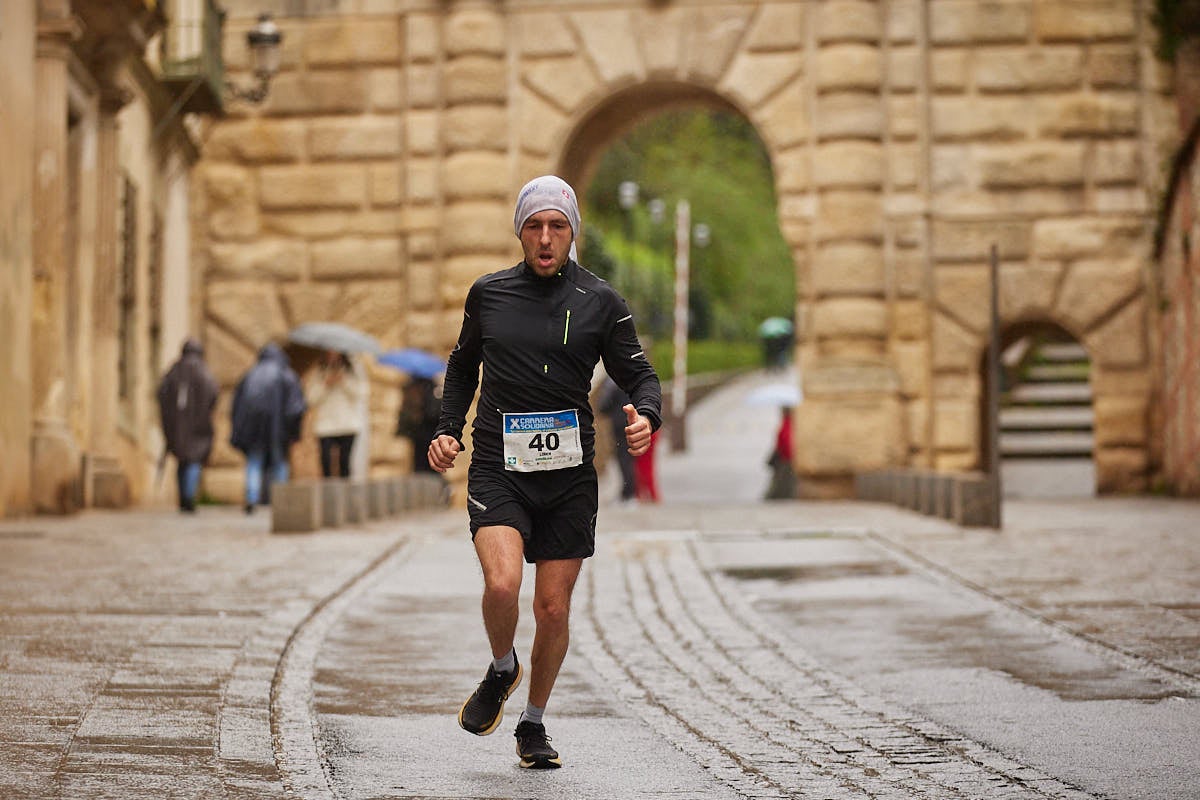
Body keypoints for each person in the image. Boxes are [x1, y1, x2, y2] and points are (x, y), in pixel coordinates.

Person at [428, 175, 661, 769]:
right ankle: (503, 666)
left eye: (557, 225)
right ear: (520, 233)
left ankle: (533, 724)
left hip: (568, 475)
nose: (546, 237)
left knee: (552, 609)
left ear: (572, 232)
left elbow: (641, 377)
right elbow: (461, 368)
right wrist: (446, 427)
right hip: (498, 466)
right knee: (503, 584)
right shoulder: (489, 295)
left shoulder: (600, 302)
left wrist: (647, 416)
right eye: (534, 225)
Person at [230, 343, 306, 514]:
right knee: (279, 463)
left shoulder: (250, 375)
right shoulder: (287, 375)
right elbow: (296, 407)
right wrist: (293, 432)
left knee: (254, 462)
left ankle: (252, 497)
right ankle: (281, 500)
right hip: (277, 430)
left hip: (253, 430)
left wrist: (238, 431)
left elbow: (236, 405)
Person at [156, 338, 219, 513]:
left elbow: (161, 394)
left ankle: (184, 496)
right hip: (199, 427)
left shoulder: (174, 371)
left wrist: (170, 420)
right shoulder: (204, 373)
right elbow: (214, 395)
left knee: (183, 462)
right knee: (193, 462)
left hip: (177, 428)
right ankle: (189, 496)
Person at [306, 350, 366, 478]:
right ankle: (328, 495)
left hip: (347, 424)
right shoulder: (319, 372)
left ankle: (346, 495)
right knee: (326, 463)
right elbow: (311, 398)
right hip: (325, 425)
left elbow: (361, 393)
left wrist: (344, 382)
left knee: (345, 463)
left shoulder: (353, 370)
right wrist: (325, 384)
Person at [595, 375, 636, 502]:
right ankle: (630, 491)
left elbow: (603, 405)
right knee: (630, 457)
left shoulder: (612, 381)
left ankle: (628, 493)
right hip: (633, 421)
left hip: (619, 424)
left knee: (623, 457)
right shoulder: (634, 378)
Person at [396, 375, 442, 474]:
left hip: (427, 433)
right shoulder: (427, 388)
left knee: (426, 464)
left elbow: (433, 413)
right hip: (422, 434)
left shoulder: (429, 389)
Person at [765, 405, 796, 500]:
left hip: (786, 460)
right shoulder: (789, 424)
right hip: (787, 459)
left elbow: (785, 443)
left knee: (781, 483)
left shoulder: (787, 425)